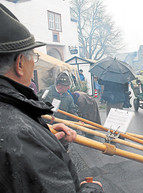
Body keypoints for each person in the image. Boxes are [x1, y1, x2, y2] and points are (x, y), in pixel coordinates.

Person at [0, 3, 103, 193]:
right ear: (20, 63)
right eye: (33, 59)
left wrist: (45, 136)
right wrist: (90, 189)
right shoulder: (20, 133)